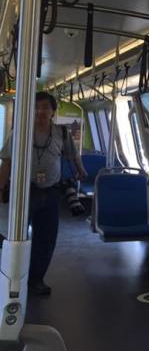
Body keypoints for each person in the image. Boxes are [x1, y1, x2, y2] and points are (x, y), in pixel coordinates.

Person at [0, 91, 87, 295]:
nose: (40, 111)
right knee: (17, 238)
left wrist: (81, 170)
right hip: (24, 191)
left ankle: (36, 279)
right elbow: (7, 162)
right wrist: (0, 187)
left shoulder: (62, 133)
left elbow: (73, 155)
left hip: (51, 192)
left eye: (45, 107)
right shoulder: (19, 133)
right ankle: (13, 277)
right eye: (36, 107)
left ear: (53, 112)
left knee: (46, 239)